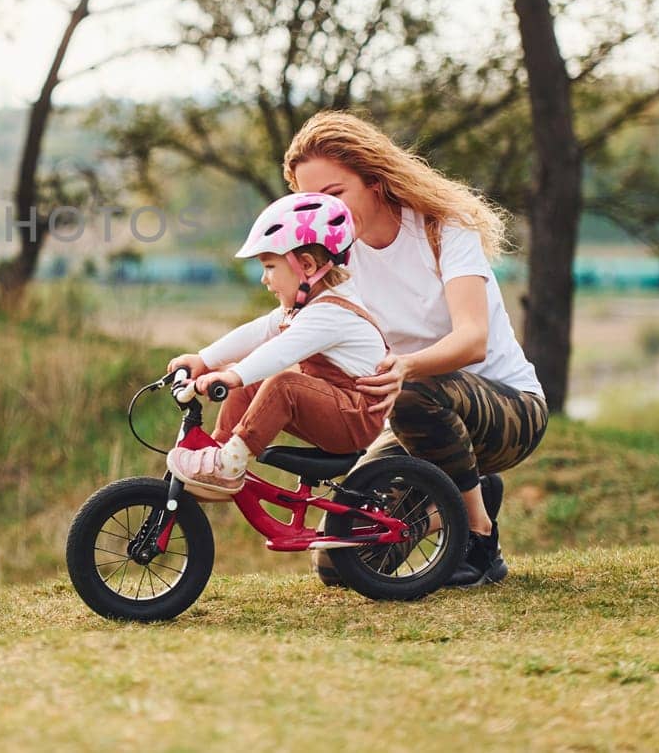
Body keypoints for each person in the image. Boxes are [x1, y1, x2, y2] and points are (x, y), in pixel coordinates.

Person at [285, 110, 548, 588]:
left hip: (508, 410)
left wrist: (405, 366)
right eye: (308, 201)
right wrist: (217, 364)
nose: (323, 212)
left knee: (410, 392)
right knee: (338, 561)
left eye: (334, 194)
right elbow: (296, 328)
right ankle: (469, 495)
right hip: (419, 421)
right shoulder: (336, 259)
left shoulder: (443, 227)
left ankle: (478, 534)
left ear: (374, 181)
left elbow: (472, 339)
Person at [165, 193, 390, 497]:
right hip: (336, 406)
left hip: (355, 417)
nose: (264, 279)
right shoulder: (309, 306)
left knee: (281, 384)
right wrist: (204, 360)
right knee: (249, 379)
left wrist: (232, 375)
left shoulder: (331, 313)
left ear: (307, 266)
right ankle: (219, 449)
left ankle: (228, 465)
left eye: (270, 266)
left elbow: (279, 351)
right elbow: (259, 331)